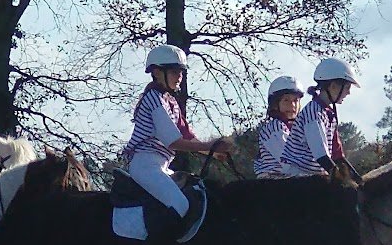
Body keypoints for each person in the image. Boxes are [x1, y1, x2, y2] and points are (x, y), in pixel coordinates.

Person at [121, 44, 233, 235]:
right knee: (180, 204)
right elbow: (173, 141)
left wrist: (214, 153)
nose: (179, 76)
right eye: (174, 72)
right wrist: (210, 145)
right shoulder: (153, 99)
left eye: (181, 72)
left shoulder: (170, 102)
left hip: (162, 165)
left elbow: (187, 135)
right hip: (145, 165)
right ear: (156, 72)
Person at [280, 57, 362, 184]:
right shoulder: (314, 113)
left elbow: (338, 156)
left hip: (312, 175)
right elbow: (322, 156)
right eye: (347, 88)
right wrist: (345, 182)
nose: (349, 93)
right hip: (296, 176)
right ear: (333, 86)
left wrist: (359, 181)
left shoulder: (328, 114)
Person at [253, 76, 304, 179]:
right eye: (286, 100)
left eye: (296, 100)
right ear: (275, 104)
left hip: (289, 179)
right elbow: (288, 161)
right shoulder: (274, 127)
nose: (293, 105)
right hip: (274, 182)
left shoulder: (296, 129)